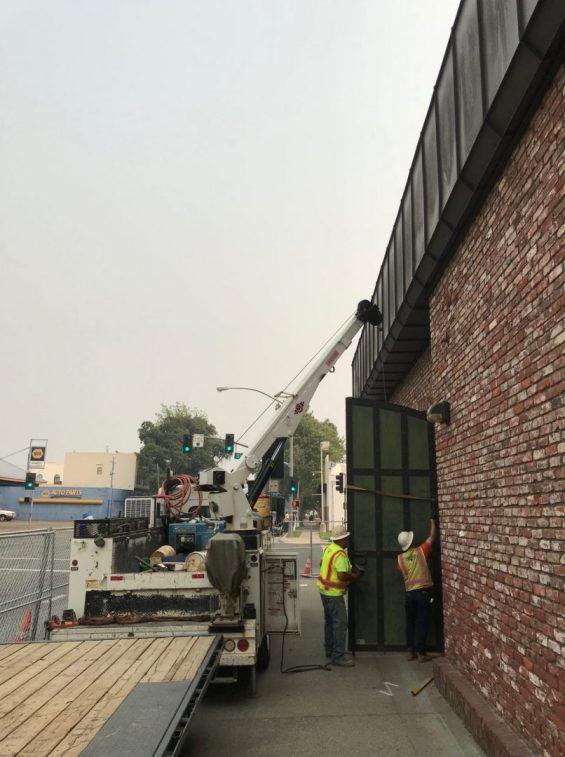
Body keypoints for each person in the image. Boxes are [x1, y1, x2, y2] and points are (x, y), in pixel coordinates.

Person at [317, 524, 359, 667]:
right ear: (342, 540)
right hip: (333, 594)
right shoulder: (340, 554)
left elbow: (322, 563)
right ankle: (338, 656)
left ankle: (330, 650)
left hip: (324, 591)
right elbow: (341, 575)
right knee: (340, 623)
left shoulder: (330, 549)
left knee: (330, 622)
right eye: (347, 538)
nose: (348, 540)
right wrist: (354, 577)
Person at [397, 518, 437, 663]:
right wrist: (433, 520)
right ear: (412, 541)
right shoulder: (421, 551)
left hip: (409, 595)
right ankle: (421, 653)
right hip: (422, 593)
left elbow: (401, 571)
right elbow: (432, 536)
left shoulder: (400, 559)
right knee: (422, 622)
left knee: (410, 622)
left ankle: (410, 651)